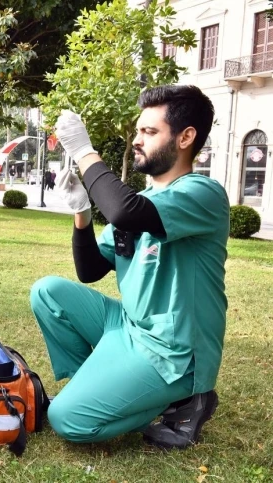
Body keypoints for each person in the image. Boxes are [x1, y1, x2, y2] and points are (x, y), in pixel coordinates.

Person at [30, 85, 228, 449]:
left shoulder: (204, 194)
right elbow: (89, 270)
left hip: (173, 350)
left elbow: (125, 212)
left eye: (149, 132)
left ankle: (183, 401)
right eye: (138, 130)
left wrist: (84, 153)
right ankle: (98, 385)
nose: (137, 140)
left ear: (186, 137)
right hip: (128, 326)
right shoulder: (145, 200)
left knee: (67, 420)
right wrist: (82, 213)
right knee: (47, 291)